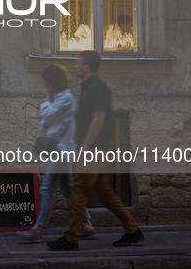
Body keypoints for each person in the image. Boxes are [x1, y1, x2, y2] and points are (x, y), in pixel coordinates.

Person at [47, 51, 144, 251]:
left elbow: (98, 119)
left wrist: (84, 146)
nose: (75, 66)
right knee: (105, 193)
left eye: (78, 63)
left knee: (77, 192)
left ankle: (71, 237)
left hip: (92, 149)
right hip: (93, 149)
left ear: (87, 66)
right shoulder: (89, 87)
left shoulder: (97, 88)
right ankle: (133, 230)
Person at [17, 64, 96, 243]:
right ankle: (87, 226)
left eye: (46, 82)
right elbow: (44, 124)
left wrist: (45, 103)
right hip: (58, 150)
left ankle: (37, 229)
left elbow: (49, 118)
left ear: (53, 81)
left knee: (47, 189)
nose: (45, 85)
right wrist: (48, 114)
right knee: (68, 189)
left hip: (61, 151)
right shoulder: (58, 99)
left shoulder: (66, 98)